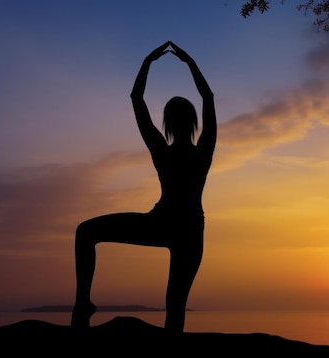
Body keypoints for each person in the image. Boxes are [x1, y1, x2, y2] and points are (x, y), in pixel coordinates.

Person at [71, 41, 216, 333]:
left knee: (85, 232)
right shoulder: (203, 150)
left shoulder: (162, 151)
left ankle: (83, 302)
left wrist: (148, 62)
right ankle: (84, 304)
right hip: (186, 229)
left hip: (164, 224)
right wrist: (189, 63)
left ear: (167, 123)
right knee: (174, 308)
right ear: (193, 123)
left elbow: (136, 98)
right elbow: (208, 97)